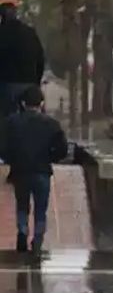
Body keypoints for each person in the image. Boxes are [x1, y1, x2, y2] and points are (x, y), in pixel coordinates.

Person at [1, 86, 68, 253]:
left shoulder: (12, 122)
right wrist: (51, 158)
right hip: (42, 171)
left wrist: (11, 160)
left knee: (22, 205)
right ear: (41, 103)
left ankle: (22, 230)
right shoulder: (52, 124)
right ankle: (38, 238)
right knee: (41, 209)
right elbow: (62, 150)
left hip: (20, 171)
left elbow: (3, 147)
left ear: (23, 103)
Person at [0, 1, 45, 118]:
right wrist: (36, 82)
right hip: (29, 84)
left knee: (6, 118)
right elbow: (40, 59)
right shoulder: (30, 32)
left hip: (6, 86)